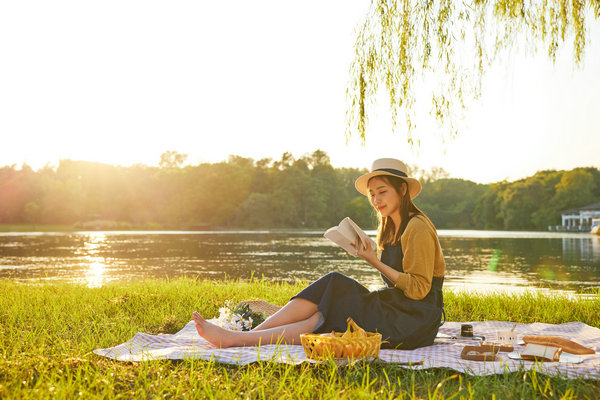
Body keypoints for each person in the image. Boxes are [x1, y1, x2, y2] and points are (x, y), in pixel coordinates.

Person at [193, 158, 446, 349]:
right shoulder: (390, 226)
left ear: (402, 191)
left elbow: (418, 290)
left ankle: (239, 339)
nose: (376, 200)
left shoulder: (417, 227)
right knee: (331, 293)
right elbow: (398, 283)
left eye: (383, 192)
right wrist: (370, 256)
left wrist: (372, 260)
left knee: (335, 292)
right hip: (397, 308)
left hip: (414, 321)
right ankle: (244, 337)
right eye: (372, 194)